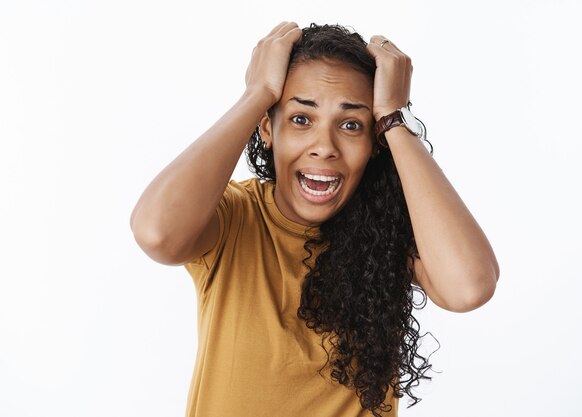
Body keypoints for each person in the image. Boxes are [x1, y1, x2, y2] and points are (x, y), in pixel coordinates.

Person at [130, 22, 499, 417]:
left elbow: (469, 287)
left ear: (374, 143)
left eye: (351, 124)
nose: (324, 147)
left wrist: (392, 118)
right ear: (267, 128)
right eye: (301, 119)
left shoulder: (387, 232)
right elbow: (156, 232)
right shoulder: (236, 216)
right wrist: (257, 94)